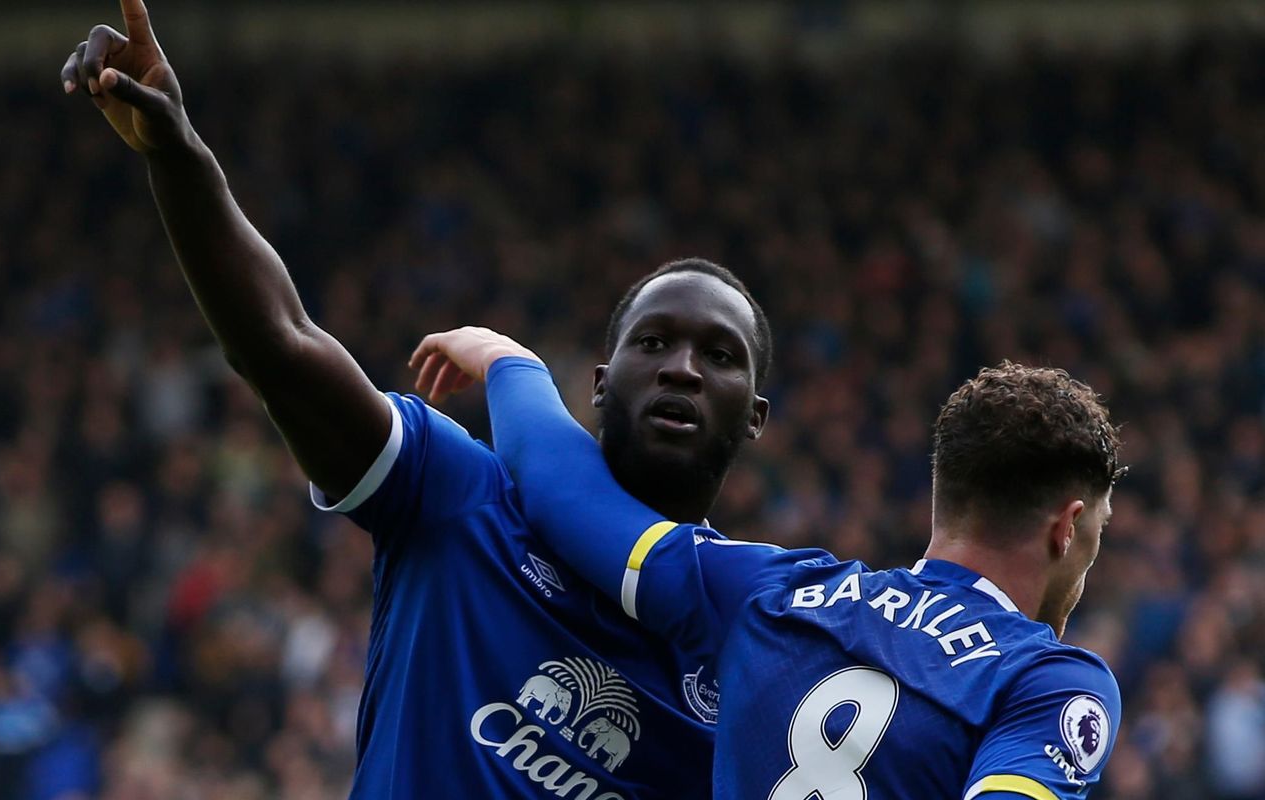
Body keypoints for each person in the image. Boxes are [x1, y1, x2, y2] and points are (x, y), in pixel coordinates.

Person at [59, 2, 774, 796]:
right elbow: (280, 345)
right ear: (600, 384)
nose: (682, 369)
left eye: (719, 356)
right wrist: (178, 154)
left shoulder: (750, 652)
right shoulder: (459, 494)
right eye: (654, 342)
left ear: (755, 416)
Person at [412, 327, 1124, 799]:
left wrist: (509, 363)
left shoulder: (778, 591)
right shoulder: (1050, 680)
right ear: (1068, 527)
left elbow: (565, 496)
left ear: (946, 496)